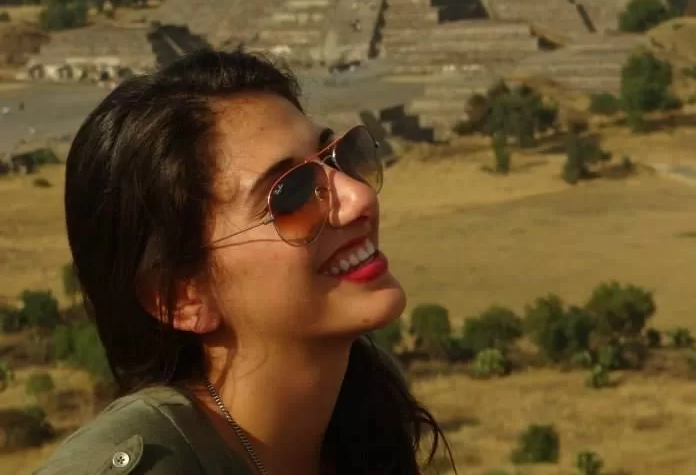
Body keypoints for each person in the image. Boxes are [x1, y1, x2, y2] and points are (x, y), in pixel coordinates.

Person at [36, 49, 450, 475]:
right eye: (291, 194)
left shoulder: (363, 419)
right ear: (180, 296)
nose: (359, 198)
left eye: (339, 158)